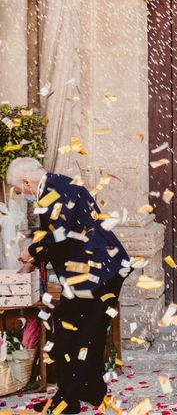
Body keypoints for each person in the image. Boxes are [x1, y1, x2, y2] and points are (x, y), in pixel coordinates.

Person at [7, 157, 131, 414]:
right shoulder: (59, 184)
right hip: (99, 269)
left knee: (68, 332)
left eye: (20, 191)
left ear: (27, 182)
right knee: (89, 333)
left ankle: (68, 400)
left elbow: (61, 235)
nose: (22, 196)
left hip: (96, 272)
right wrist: (35, 259)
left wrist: (31, 250)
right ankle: (91, 392)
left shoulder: (53, 190)